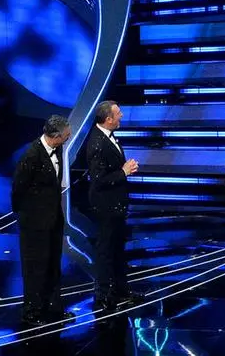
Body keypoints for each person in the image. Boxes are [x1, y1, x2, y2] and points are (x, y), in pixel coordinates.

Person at [11, 115, 76, 326]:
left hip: (53, 220)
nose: (69, 137)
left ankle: (54, 309)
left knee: (53, 266)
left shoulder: (58, 149)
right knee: (35, 269)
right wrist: (28, 216)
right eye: (66, 135)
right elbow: (18, 190)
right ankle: (31, 313)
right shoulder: (31, 155)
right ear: (55, 136)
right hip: (34, 224)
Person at [86, 100, 142, 311]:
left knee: (117, 249)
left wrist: (124, 170)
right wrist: (123, 172)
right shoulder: (97, 143)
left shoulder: (108, 136)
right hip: (106, 206)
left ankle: (121, 290)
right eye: (118, 113)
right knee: (106, 251)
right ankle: (102, 296)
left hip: (116, 204)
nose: (122, 116)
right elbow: (99, 179)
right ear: (108, 119)